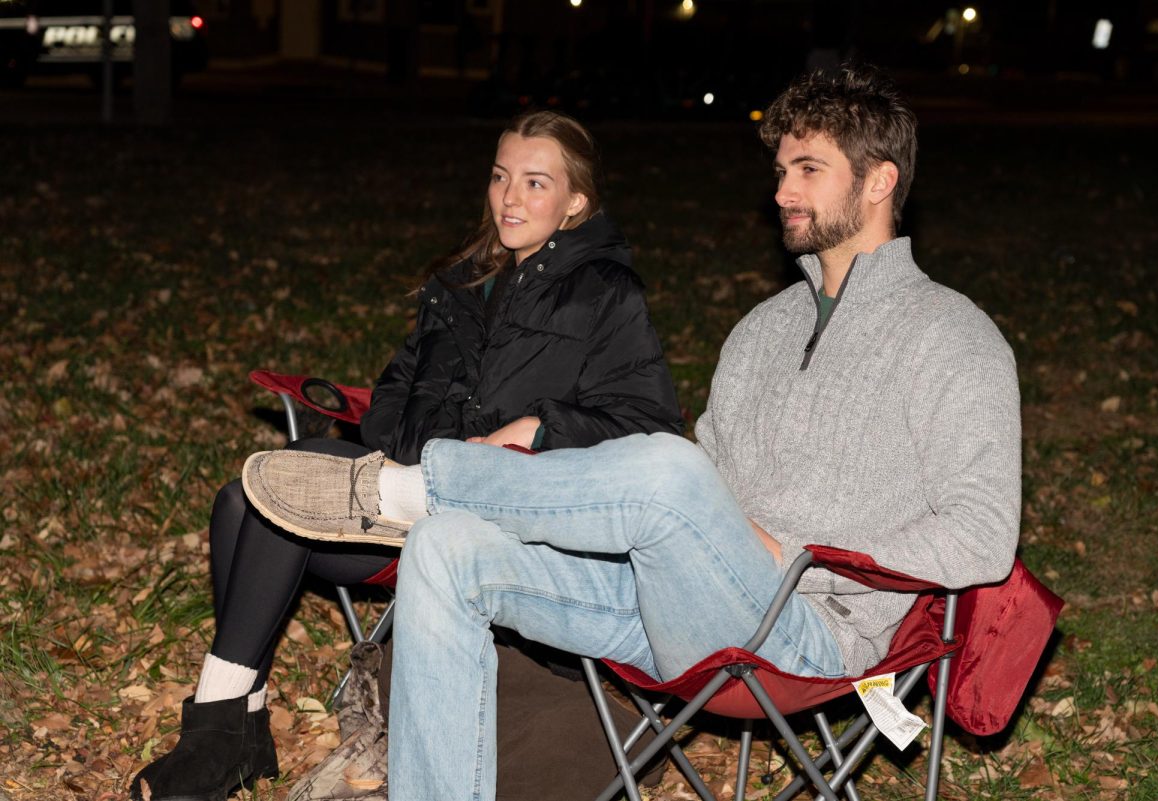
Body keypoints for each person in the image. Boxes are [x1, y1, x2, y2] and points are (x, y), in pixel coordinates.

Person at [239, 66, 1022, 801]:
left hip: (813, 627)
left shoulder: (952, 337)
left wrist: (795, 548)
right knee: (447, 551)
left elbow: (983, 536)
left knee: (667, 467)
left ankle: (407, 487)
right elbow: (705, 487)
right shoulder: (763, 330)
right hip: (681, 598)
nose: (781, 189)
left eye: (807, 169)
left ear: (880, 180)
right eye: (780, 168)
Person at [128, 110, 682, 801]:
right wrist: (419, 442)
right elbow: (391, 394)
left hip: (503, 522)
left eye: (535, 183)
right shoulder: (460, 283)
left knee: (276, 506)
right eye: (501, 177)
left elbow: (649, 424)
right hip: (411, 489)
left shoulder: (604, 294)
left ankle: (221, 735)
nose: (510, 198)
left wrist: (536, 427)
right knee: (240, 499)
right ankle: (236, 722)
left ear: (576, 202)